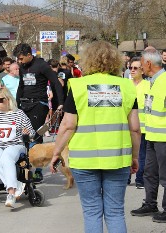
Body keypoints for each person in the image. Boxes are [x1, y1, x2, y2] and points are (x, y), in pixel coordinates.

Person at [50, 41, 140, 233]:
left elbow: (67, 126)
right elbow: (135, 129)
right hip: (118, 158)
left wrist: (56, 152)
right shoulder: (126, 86)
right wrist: (135, 156)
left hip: (84, 160)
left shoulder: (79, 86)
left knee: (92, 212)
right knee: (115, 212)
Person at [13, 43, 64, 182]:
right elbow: (21, 86)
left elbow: (56, 83)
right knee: (23, 136)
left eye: (21, 58)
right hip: (25, 104)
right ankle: (25, 168)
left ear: (29, 55)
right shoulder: (23, 68)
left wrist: (60, 103)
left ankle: (38, 170)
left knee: (35, 135)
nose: (19, 61)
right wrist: (17, 105)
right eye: (18, 59)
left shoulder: (42, 65)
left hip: (39, 104)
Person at [131, 47, 166, 223]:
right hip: (151, 136)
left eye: (141, 64)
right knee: (150, 173)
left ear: (148, 63)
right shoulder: (153, 81)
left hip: (163, 139)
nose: (139, 68)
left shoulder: (164, 81)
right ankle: (150, 203)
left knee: (165, 175)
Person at [0, 87, 35, 208]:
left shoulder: (18, 114)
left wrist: (27, 133)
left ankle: (11, 193)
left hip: (16, 145)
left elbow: (32, 133)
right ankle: (17, 186)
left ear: (8, 100)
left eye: (1, 100)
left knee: (7, 155)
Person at [129, 57, 150, 189]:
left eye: (135, 68)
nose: (132, 70)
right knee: (126, 153)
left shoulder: (148, 85)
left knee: (140, 155)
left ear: (142, 70)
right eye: (130, 68)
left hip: (142, 126)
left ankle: (139, 179)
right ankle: (125, 178)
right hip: (126, 126)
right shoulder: (125, 85)